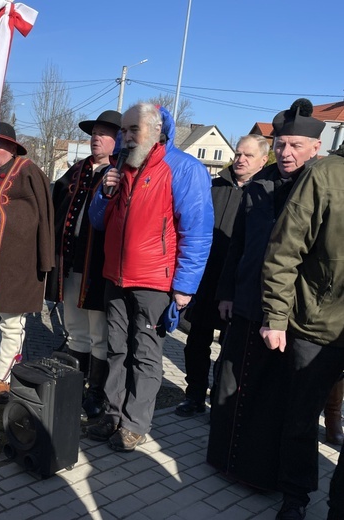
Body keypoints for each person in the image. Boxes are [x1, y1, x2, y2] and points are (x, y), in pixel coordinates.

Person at [206, 99, 324, 493]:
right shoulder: (259, 183)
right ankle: (223, 459)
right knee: (228, 382)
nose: (286, 153)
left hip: (289, 313)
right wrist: (226, 292)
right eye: (280, 145)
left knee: (269, 397)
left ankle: (259, 473)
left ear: (315, 149)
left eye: (295, 146)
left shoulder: (318, 187)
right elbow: (237, 244)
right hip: (244, 300)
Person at [86, 103, 213, 451]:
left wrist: (185, 287)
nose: (125, 137)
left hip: (155, 283)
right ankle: (112, 417)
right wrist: (103, 193)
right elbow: (98, 222)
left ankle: (135, 424)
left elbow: (198, 233)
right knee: (115, 350)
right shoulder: (119, 168)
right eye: (123, 131)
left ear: (157, 131)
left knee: (144, 354)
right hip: (116, 278)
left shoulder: (184, 169)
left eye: (133, 130)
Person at [260, 139, 344, 518]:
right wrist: (276, 317)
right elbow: (283, 251)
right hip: (317, 324)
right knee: (301, 418)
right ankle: (295, 496)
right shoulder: (325, 174)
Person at [175, 135, 270, 417]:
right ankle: (194, 395)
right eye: (238, 153)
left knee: (229, 349)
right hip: (206, 280)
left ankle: (220, 399)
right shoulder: (212, 187)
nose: (240, 159)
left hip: (241, 285)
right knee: (196, 342)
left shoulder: (266, 194)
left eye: (248, 156)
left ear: (263, 160)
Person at [45, 110, 122, 421]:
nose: (96, 138)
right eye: (94, 133)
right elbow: (54, 202)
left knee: (98, 333)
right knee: (75, 329)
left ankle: (97, 393)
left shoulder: (120, 172)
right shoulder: (77, 170)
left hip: (99, 268)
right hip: (71, 264)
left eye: (104, 134)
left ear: (117, 141)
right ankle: (77, 385)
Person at [0, 122, 55, 404]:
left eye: (3, 145)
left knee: (12, 323)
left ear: (13, 148)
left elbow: (42, 215)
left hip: (17, 262)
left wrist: (45, 259)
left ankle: (4, 378)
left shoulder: (28, 172)